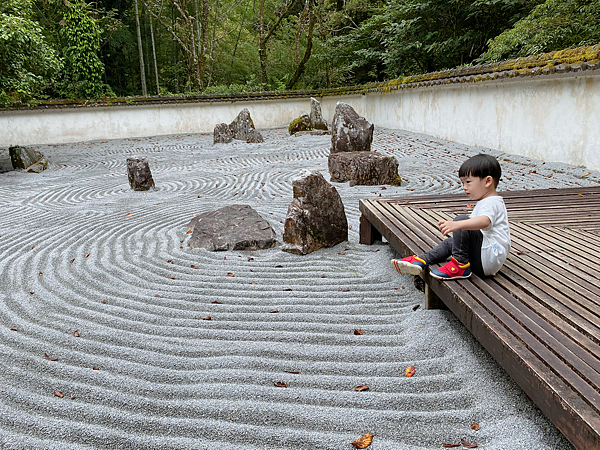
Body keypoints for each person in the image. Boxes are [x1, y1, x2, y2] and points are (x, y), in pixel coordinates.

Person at [391, 154, 510, 280]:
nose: (464, 187)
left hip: (488, 258)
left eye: (468, 182)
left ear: (488, 181)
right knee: (450, 243)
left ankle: (460, 266)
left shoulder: (491, 202)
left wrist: (457, 225)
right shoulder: (489, 201)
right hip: (484, 258)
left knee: (462, 220)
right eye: (463, 183)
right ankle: (422, 260)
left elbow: (485, 221)